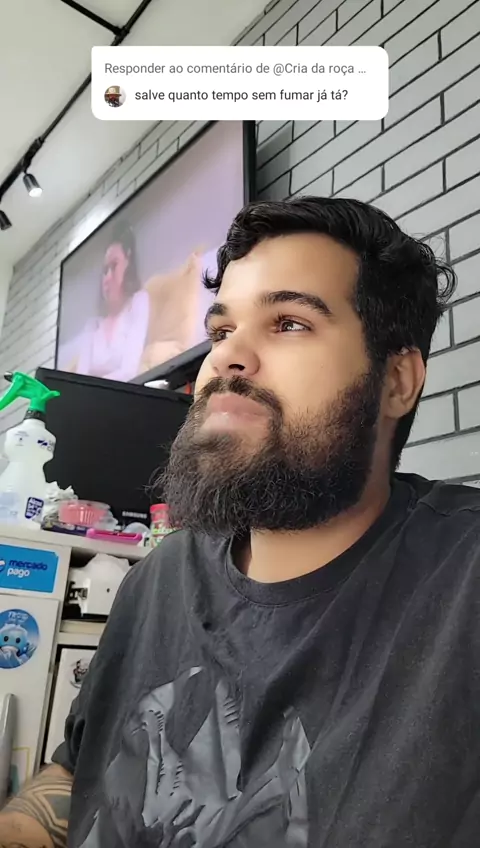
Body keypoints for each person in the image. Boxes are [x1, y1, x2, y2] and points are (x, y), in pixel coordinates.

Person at [3, 195, 480, 848]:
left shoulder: (463, 584)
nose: (229, 358)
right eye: (222, 330)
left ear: (397, 380)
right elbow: (76, 771)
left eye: (289, 322)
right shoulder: (157, 580)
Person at [74, 222, 150, 381]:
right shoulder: (92, 326)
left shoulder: (138, 302)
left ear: (129, 264)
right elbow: (80, 380)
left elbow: (129, 371)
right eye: (104, 270)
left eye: (114, 266)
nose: (107, 278)